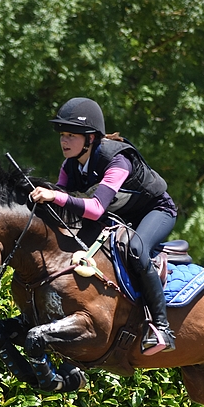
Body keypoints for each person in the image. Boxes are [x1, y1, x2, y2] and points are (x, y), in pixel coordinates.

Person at [29, 97, 178, 355]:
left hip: (156, 211)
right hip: (121, 214)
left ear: (90, 138)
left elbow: (96, 208)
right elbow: (61, 207)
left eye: (71, 135)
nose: (64, 141)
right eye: (62, 135)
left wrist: (55, 196)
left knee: (135, 249)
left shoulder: (118, 160)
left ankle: (162, 327)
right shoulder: (70, 165)